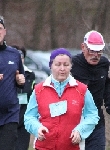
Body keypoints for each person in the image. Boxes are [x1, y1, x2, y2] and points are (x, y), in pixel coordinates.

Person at [24, 48, 99, 150]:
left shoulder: (82, 90)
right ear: (50, 65)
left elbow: (93, 115)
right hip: (43, 146)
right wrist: (37, 128)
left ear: (71, 66)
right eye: (58, 64)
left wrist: (80, 131)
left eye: (66, 65)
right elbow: (29, 117)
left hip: (72, 146)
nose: (62, 68)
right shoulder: (39, 90)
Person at [71, 30, 110, 150]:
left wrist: (109, 104)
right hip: (75, 119)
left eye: (99, 51)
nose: (95, 55)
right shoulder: (73, 64)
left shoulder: (104, 63)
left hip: (96, 118)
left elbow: (106, 82)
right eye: (92, 51)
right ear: (83, 47)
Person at [0, 16, 25, 150]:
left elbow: (20, 78)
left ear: (5, 31)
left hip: (9, 115)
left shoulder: (14, 54)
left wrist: (20, 81)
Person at [11, 45, 35, 150]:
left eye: (21, 57)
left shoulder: (30, 75)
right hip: (7, 120)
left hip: (24, 121)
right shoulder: (4, 74)